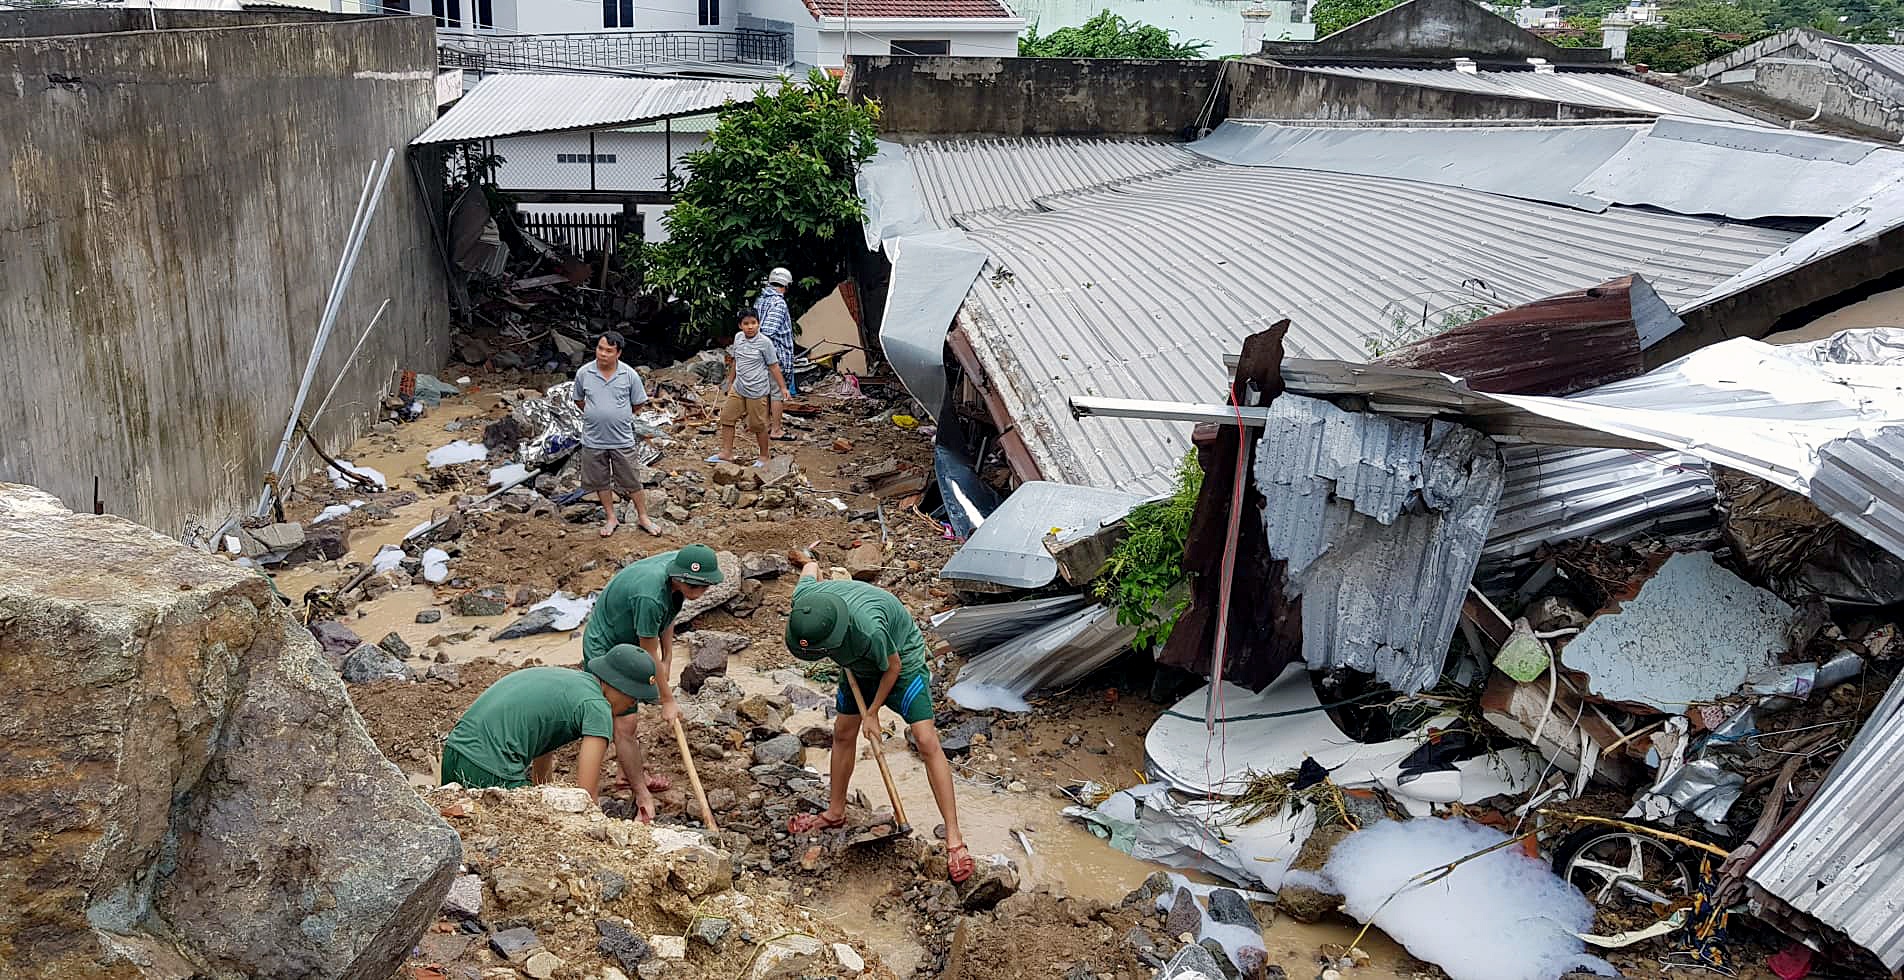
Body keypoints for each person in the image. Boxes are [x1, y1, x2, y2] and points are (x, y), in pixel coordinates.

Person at [780, 544, 973, 884]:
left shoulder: (869, 629)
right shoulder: (806, 602)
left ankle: (954, 839)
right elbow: (809, 572)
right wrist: (810, 562)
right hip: (856, 665)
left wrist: (872, 713)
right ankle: (835, 812)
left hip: (901, 660)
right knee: (843, 733)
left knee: (926, 740)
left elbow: (892, 667)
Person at [578, 544, 724, 821]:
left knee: (627, 719)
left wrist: (668, 658)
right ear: (680, 577)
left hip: (632, 636)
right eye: (696, 587)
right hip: (606, 645)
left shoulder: (680, 567)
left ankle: (626, 773)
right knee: (623, 722)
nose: (702, 592)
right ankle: (632, 793)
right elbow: (648, 651)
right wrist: (667, 700)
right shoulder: (650, 596)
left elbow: (665, 618)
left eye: (706, 586)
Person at [439, 647, 660, 799]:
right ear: (618, 684)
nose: (633, 704)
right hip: (489, 767)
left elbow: (542, 745)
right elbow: (585, 793)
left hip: (454, 751)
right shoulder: (597, 707)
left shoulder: (570, 681)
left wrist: (543, 795)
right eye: (633, 696)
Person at [574, 331, 659, 538]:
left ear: (618, 353)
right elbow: (578, 399)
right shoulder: (584, 373)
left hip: (621, 438)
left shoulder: (629, 375)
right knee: (600, 481)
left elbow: (638, 403)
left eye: (608, 351)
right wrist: (596, 413)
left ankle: (643, 517)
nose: (603, 354)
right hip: (593, 438)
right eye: (600, 348)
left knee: (631, 480)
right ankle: (611, 517)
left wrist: (619, 414)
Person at [706, 310, 790, 467]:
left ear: (758, 324)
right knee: (727, 417)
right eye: (746, 323)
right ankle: (726, 453)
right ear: (740, 325)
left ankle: (764, 456)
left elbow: (773, 366)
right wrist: (730, 381)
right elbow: (736, 361)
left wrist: (783, 388)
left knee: (758, 425)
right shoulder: (738, 338)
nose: (750, 327)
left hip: (757, 391)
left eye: (753, 323)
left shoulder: (765, 343)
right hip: (739, 387)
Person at [755, 267, 797, 441]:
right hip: (775, 355)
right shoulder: (778, 303)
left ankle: (764, 426)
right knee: (777, 393)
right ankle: (776, 430)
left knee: (765, 393)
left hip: (761, 354)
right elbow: (767, 331)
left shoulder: (760, 300)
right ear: (785, 285)